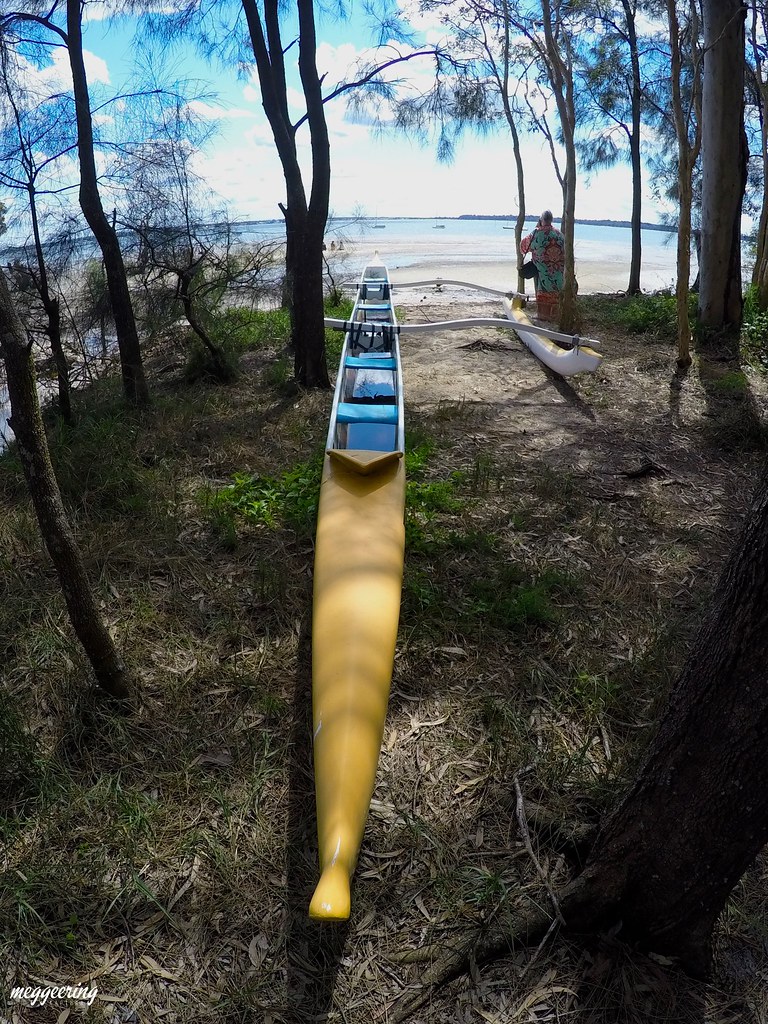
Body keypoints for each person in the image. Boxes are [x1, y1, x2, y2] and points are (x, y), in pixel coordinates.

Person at [519, 210, 565, 321]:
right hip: (558, 271)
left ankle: (543, 318)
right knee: (557, 294)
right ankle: (556, 317)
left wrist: (536, 228)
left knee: (543, 294)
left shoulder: (536, 233)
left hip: (542, 271)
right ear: (552, 220)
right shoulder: (559, 234)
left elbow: (523, 247)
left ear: (541, 220)